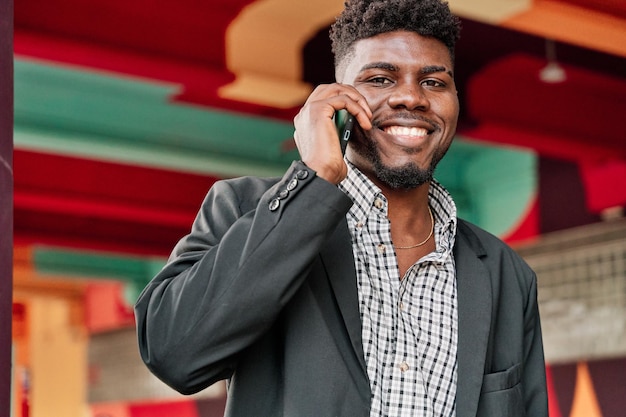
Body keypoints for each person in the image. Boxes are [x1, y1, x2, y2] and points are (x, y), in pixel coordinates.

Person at [134, 0, 548, 416]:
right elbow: (173, 353)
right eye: (381, 78)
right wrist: (314, 181)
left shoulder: (505, 274)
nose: (411, 97)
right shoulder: (245, 210)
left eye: (435, 83)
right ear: (337, 98)